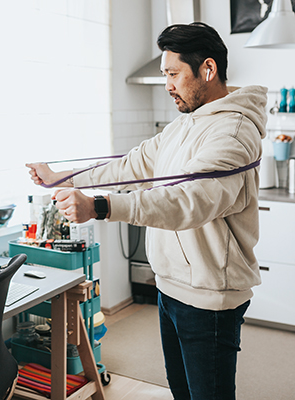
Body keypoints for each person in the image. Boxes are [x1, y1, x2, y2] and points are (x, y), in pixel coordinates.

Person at [27, 22, 267, 400]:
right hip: (171, 288)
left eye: (173, 74)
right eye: (164, 75)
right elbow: (132, 164)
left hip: (208, 297)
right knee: (182, 392)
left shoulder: (233, 132)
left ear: (207, 69)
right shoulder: (185, 123)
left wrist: (100, 206)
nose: (167, 85)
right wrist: (65, 178)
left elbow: (187, 202)